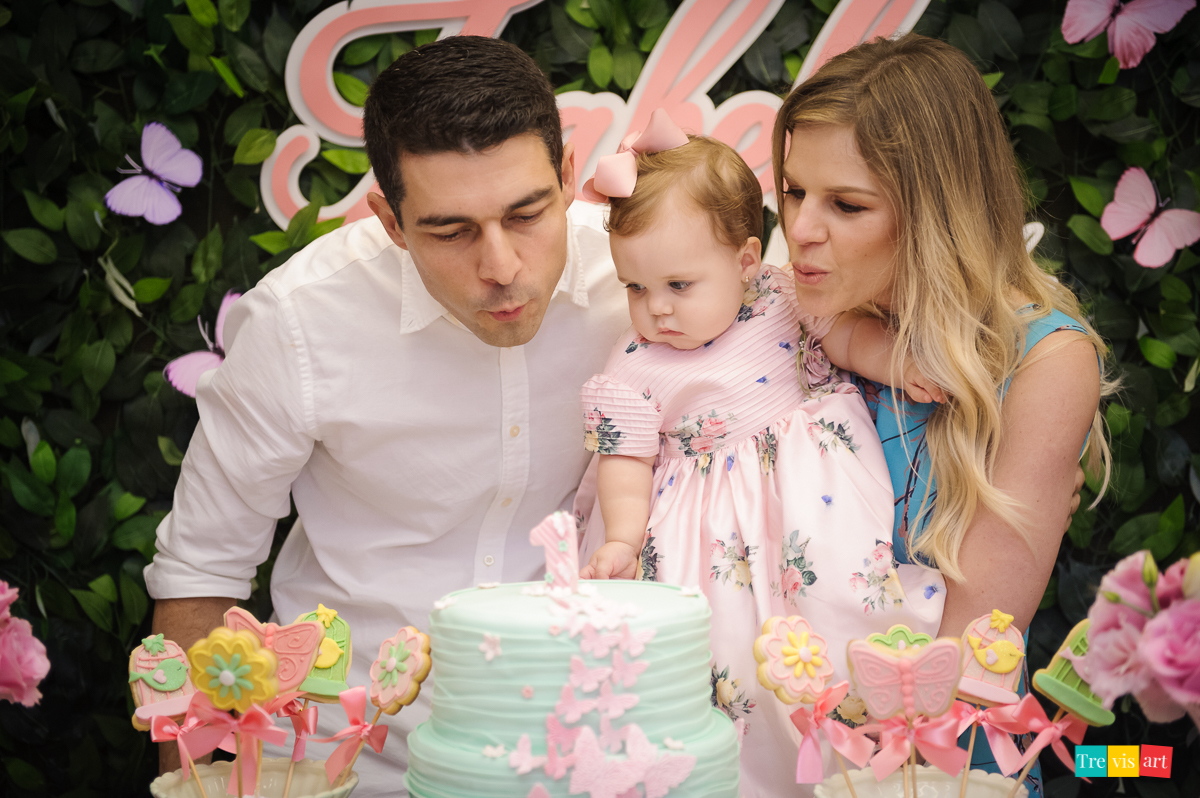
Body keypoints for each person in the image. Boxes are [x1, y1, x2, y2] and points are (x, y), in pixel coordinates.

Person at [143, 36, 630, 794]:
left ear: (568, 179)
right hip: (353, 765)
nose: (500, 265)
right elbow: (202, 572)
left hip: (594, 760)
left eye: (527, 213)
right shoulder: (298, 323)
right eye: (451, 230)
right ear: (390, 220)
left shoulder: (640, 278)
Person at [773, 34, 1112, 795]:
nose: (800, 228)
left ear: (937, 211)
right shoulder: (787, 311)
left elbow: (969, 653)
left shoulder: (1043, 363)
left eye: (846, 204)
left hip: (927, 768)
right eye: (794, 191)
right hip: (761, 742)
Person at [575, 114, 946, 795]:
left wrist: (900, 364)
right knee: (731, 663)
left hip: (811, 506)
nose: (654, 310)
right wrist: (623, 538)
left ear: (746, 261)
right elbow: (622, 461)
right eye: (634, 288)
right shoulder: (630, 366)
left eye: (678, 286)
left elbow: (844, 339)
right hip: (706, 537)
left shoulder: (780, 296)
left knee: (838, 618)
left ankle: (858, 746)